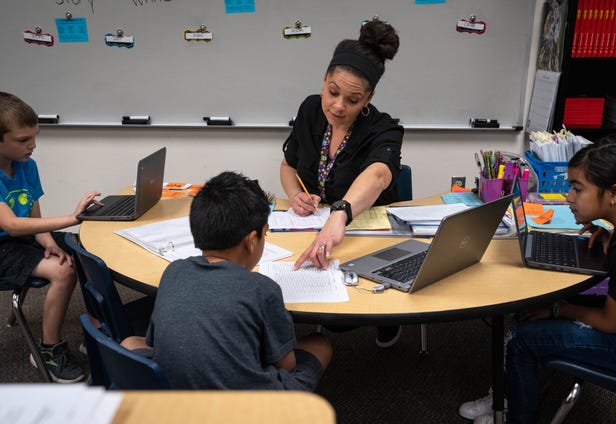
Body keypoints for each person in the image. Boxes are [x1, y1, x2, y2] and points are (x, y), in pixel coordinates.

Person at [460, 134, 616, 424]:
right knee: (532, 312)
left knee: (522, 338)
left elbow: (612, 323)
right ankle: (507, 395)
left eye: (577, 189)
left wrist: (559, 309)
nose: (568, 197)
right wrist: (610, 232)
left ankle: (516, 416)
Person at [138, 171, 332, 390]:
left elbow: (153, 342)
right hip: (249, 407)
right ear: (251, 241)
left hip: (178, 397)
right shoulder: (262, 288)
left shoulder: (174, 271)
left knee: (130, 342)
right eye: (264, 235)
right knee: (320, 344)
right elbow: (287, 365)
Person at [279, 19, 403, 347]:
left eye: (352, 100)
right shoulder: (310, 109)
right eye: (333, 92)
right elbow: (288, 165)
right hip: (314, 226)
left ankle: (388, 319)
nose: (338, 106)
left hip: (366, 231)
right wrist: (294, 195)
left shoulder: (384, 128)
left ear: (369, 98)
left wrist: (339, 214)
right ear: (324, 79)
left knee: (351, 312)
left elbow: (378, 175)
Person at [0, 92, 102, 383]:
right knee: (63, 270)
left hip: (20, 237)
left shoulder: (26, 166)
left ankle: (95, 331)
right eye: (22, 140)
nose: (32, 146)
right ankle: (48, 350)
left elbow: (34, 220)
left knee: (83, 249)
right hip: (2, 246)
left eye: (34, 137)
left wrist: (49, 243)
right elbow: (12, 225)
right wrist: (74, 217)